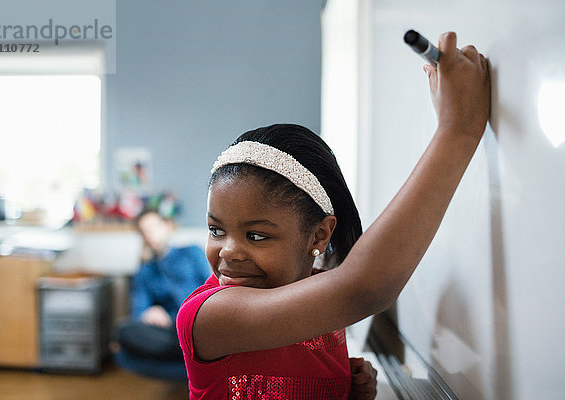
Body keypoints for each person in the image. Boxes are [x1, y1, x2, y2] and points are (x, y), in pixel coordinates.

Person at [176, 31, 490, 399]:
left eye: (256, 235)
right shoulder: (210, 316)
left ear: (319, 236)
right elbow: (362, 289)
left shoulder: (318, 296)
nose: (228, 251)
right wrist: (458, 130)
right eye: (216, 230)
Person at [113, 208, 211, 376]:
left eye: (153, 228)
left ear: (166, 226)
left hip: (201, 323)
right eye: (144, 232)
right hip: (171, 331)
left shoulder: (191, 252)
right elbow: (137, 311)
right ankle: (197, 361)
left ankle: (195, 360)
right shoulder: (145, 270)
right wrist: (148, 312)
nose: (150, 235)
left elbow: (213, 287)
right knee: (123, 332)